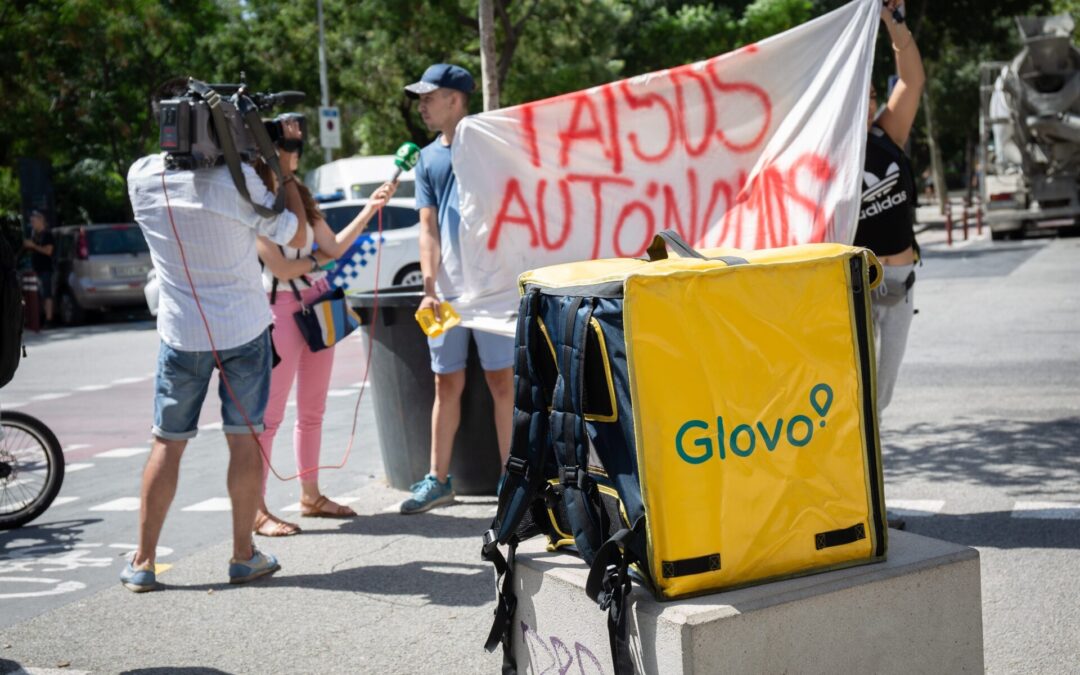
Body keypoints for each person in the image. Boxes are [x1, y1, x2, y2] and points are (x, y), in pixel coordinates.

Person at [119, 78, 308, 591]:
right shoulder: (238, 182)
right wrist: (283, 170)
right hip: (243, 331)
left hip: (180, 334)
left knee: (167, 442)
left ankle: (142, 561)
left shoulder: (141, 177)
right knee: (243, 444)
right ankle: (242, 555)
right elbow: (300, 237)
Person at [251, 156, 397, 537]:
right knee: (270, 416)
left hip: (317, 304)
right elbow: (282, 269)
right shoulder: (253, 204)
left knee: (313, 409)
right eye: (283, 154)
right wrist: (317, 259)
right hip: (279, 310)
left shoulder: (301, 197)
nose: (291, 160)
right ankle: (257, 508)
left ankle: (311, 496)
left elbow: (334, 246)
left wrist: (368, 210)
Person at [399, 63, 514, 514]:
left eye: (430, 96)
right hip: (447, 291)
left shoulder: (490, 147)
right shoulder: (427, 159)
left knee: (502, 381)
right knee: (445, 383)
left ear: (457, 99)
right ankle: (437, 480)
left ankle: (512, 480)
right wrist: (429, 286)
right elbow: (426, 228)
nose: (422, 104)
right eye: (421, 97)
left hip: (493, 285)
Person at [854, 0, 925, 415]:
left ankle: (871, 466)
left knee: (882, 394)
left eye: (873, 95)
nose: (867, 103)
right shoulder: (827, 156)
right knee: (858, 387)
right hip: (855, 283)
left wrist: (892, 21)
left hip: (899, 280)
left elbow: (912, 81)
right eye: (859, 95)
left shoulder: (886, 134)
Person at [23, 210, 54, 326]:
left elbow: (49, 251)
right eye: (31, 222)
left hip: (46, 269)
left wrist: (34, 246)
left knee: (47, 294)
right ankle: (40, 318)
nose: (32, 224)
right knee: (39, 295)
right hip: (36, 269)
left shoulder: (47, 235)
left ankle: (49, 319)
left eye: (34, 221)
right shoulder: (34, 235)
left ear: (41, 221)